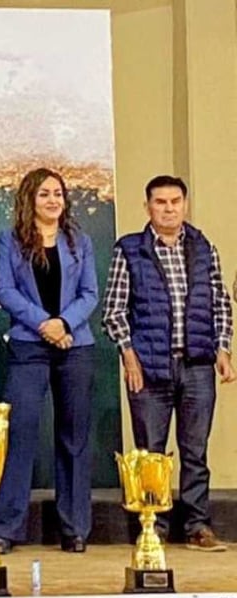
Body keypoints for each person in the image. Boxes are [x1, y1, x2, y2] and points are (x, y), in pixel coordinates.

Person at [103, 175, 235, 552]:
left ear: (185, 204)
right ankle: (152, 527)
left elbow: (220, 304)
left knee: (195, 451)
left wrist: (222, 351)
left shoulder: (203, 247)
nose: (168, 208)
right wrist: (129, 357)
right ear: (147, 207)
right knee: (151, 454)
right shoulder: (129, 249)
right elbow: (114, 311)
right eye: (160, 202)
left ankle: (197, 525)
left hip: (197, 366)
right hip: (148, 368)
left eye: (175, 201)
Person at [0, 168, 99, 554]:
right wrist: (44, 324)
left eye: (58, 194)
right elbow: (4, 290)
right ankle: (6, 528)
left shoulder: (78, 241)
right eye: (44, 194)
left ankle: (75, 528)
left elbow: (89, 293)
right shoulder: (11, 240)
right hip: (28, 346)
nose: (53, 200)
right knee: (20, 434)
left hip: (75, 345)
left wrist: (64, 323)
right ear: (29, 200)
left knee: (74, 438)